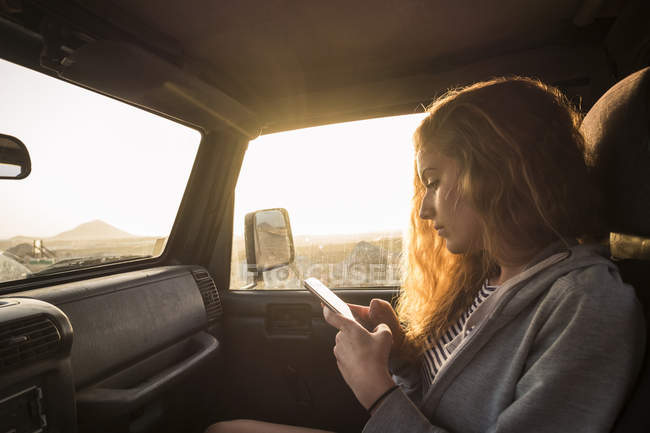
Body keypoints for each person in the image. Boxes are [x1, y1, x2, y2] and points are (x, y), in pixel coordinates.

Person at [206, 77, 645, 433]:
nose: (424, 208)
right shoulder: (490, 278)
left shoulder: (587, 306)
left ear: (497, 173)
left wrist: (377, 392)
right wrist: (397, 354)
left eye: (434, 181)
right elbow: (434, 404)